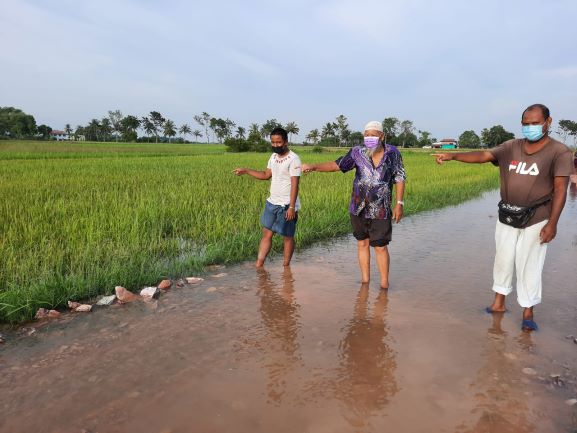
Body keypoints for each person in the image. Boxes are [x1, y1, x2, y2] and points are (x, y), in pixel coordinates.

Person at [433, 104, 573, 331]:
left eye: (535, 123)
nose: (530, 128)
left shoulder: (559, 152)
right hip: (507, 214)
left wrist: (553, 224)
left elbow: (560, 190)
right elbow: (484, 154)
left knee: (530, 265)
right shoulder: (511, 147)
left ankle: (528, 312)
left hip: (537, 218)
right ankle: (498, 303)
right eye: (526, 124)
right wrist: (453, 155)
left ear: (548, 122)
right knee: (503, 259)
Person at [302, 121, 406, 290]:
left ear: (381, 136)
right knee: (362, 244)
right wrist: (314, 166)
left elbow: (399, 177)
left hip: (381, 209)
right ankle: (365, 282)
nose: (369, 138)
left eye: (372, 135)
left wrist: (399, 203)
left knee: (380, 246)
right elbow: (337, 165)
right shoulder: (357, 152)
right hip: (358, 207)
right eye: (366, 135)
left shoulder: (393, 153)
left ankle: (384, 285)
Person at [233, 127, 302, 267]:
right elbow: (265, 175)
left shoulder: (294, 159)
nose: (276, 145)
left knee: (287, 237)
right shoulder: (273, 157)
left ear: (286, 142)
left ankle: (286, 267)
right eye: (273, 142)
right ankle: (259, 265)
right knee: (266, 234)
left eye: (279, 142)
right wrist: (246, 170)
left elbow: (295, 184)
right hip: (271, 202)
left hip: (286, 205)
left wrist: (292, 207)